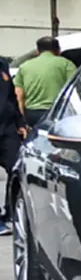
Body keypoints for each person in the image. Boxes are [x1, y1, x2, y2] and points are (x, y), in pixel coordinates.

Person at [14, 37, 76, 128]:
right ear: (58, 50)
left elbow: (19, 95)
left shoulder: (24, 66)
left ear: (37, 51)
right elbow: (75, 89)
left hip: (31, 114)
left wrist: (22, 121)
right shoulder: (67, 64)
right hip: (58, 113)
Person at [0, 53, 28, 233]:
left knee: (16, 167)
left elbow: (11, 97)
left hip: (7, 129)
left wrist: (20, 122)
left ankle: (10, 211)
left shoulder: (2, 64)